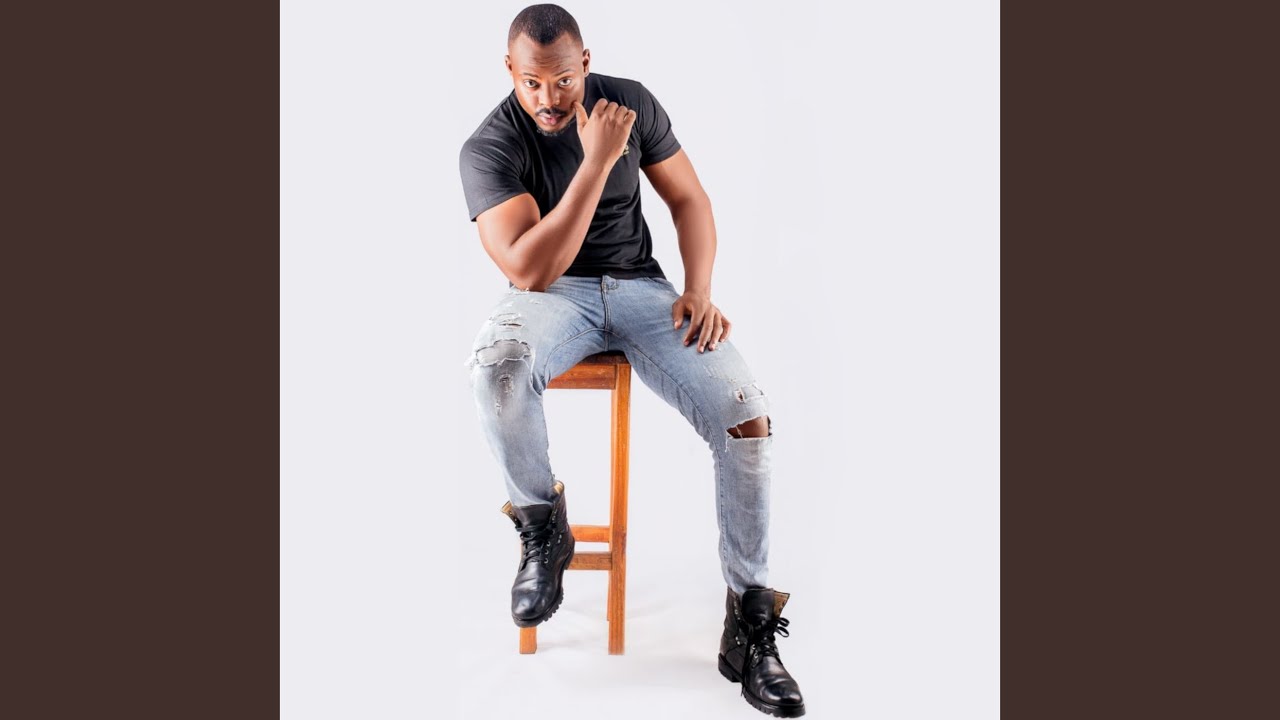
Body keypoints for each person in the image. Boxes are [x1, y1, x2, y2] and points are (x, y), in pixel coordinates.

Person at [458, 5, 805, 716]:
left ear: (585, 64)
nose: (549, 98)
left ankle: (749, 624)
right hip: (553, 297)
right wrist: (596, 162)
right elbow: (531, 269)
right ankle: (542, 527)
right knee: (496, 367)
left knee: (747, 419)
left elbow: (689, 198)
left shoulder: (630, 104)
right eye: (531, 82)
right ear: (509, 72)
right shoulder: (489, 146)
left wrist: (699, 288)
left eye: (562, 80)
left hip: (644, 291)